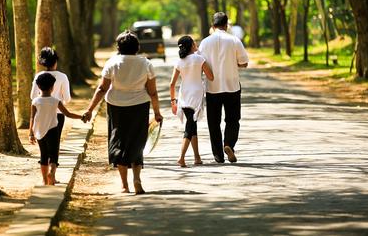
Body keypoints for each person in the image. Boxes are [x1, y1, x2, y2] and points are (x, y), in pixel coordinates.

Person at [82, 31, 163, 194]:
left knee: (119, 141)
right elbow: (152, 92)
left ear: (118, 47)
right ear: (137, 47)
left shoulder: (112, 63)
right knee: (137, 142)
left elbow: (102, 88)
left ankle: (124, 185)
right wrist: (157, 112)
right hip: (140, 106)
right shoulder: (145, 63)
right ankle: (137, 179)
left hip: (116, 107)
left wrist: (90, 109)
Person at [198, 12, 249, 163]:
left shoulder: (205, 43)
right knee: (233, 119)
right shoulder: (234, 40)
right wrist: (234, 63)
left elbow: (200, 64)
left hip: (212, 88)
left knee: (213, 122)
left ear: (212, 26)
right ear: (226, 25)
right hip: (232, 85)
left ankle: (218, 155)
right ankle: (229, 145)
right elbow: (244, 62)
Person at [29, 73, 82, 185]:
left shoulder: (35, 101)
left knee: (43, 154)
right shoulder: (55, 101)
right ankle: (52, 173)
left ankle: (44, 180)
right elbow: (68, 114)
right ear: (52, 87)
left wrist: (31, 133)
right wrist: (81, 117)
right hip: (53, 129)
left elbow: (32, 118)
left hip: (39, 131)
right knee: (53, 154)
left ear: (38, 87)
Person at [169, 36, 214, 167]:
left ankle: (197, 157)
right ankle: (181, 157)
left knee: (191, 124)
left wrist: (173, 102)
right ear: (191, 46)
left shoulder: (179, 62)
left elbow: (172, 84)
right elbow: (211, 77)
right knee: (191, 124)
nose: (196, 44)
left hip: (184, 95)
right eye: (194, 43)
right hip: (196, 94)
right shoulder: (199, 59)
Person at [31, 47, 71, 159]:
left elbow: (33, 96)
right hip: (58, 113)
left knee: (43, 142)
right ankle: (53, 169)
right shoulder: (63, 77)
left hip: (41, 114)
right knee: (55, 141)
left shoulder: (38, 76)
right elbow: (67, 99)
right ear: (55, 61)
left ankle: (45, 165)